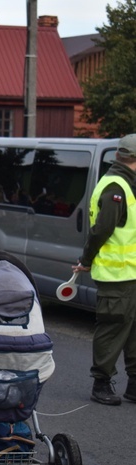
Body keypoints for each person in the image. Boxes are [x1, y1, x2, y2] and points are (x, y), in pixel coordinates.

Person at [73, 133, 136, 406]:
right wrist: (86, 260)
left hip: (130, 274)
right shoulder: (116, 188)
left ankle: (134, 385)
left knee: (133, 329)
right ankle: (101, 382)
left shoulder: (128, 184)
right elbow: (101, 231)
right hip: (116, 276)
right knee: (112, 328)